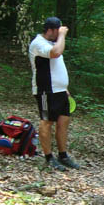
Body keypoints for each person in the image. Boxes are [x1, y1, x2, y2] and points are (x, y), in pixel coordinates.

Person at [28, 17, 80, 171]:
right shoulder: (38, 43)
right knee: (47, 121)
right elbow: (55, 53)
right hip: (46, 91)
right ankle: (48, 157)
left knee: (63, 122)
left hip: (60, 91)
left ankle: (63, 155)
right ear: (50, 30)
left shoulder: (53, 42)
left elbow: (56, 65)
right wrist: (62, 35)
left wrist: (64, 88)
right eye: (58, 31)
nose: (60, 34)